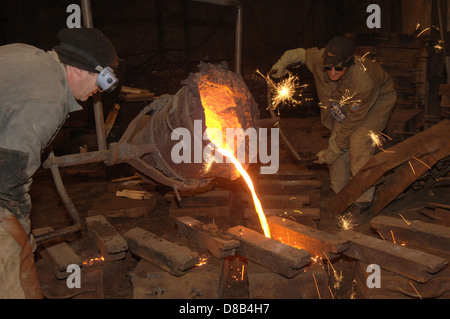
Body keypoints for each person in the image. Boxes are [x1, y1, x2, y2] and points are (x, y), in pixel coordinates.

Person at [0, 27, 118, 298]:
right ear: (77, 69)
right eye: (100, 81)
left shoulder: (27, 54)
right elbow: (8, 181)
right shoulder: (47, 99)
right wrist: (21, 237)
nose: (99, 92)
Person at [270, 36, 397, 215]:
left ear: (349, 64)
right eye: (328, 68)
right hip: (345, 101)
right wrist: (281, 63)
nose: (332, 73)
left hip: (378, 101)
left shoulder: (362, 82)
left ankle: (364, 199)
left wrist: (335, 150)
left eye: (338, 68)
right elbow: (299, 54)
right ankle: (341, 194)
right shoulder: (320, 59)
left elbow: (352, 122)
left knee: (358, 140)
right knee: (336, 144)